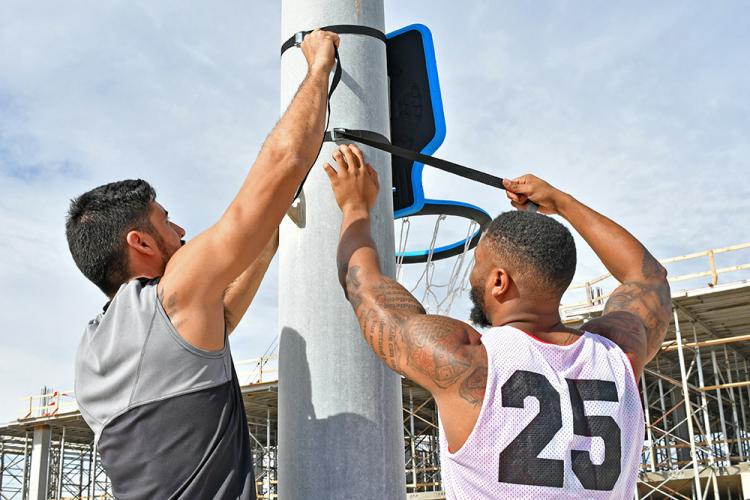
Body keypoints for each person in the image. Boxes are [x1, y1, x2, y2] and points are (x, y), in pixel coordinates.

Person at [65, 29, 340, 499]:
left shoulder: (94, 350)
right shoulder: (171, 295)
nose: (181, 233)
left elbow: (215, 324)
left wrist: (265, 246)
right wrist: (318, 67)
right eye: (166, 222)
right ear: (141, 242)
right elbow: (283, 161)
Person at [324, 144, 670, 499]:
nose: (473, 275)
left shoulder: (466, 360)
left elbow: (362, 283)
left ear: (499, 281)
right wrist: (563, 202)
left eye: (478, 265)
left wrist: (354, 206)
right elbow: (648, 278)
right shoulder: (618, 354)